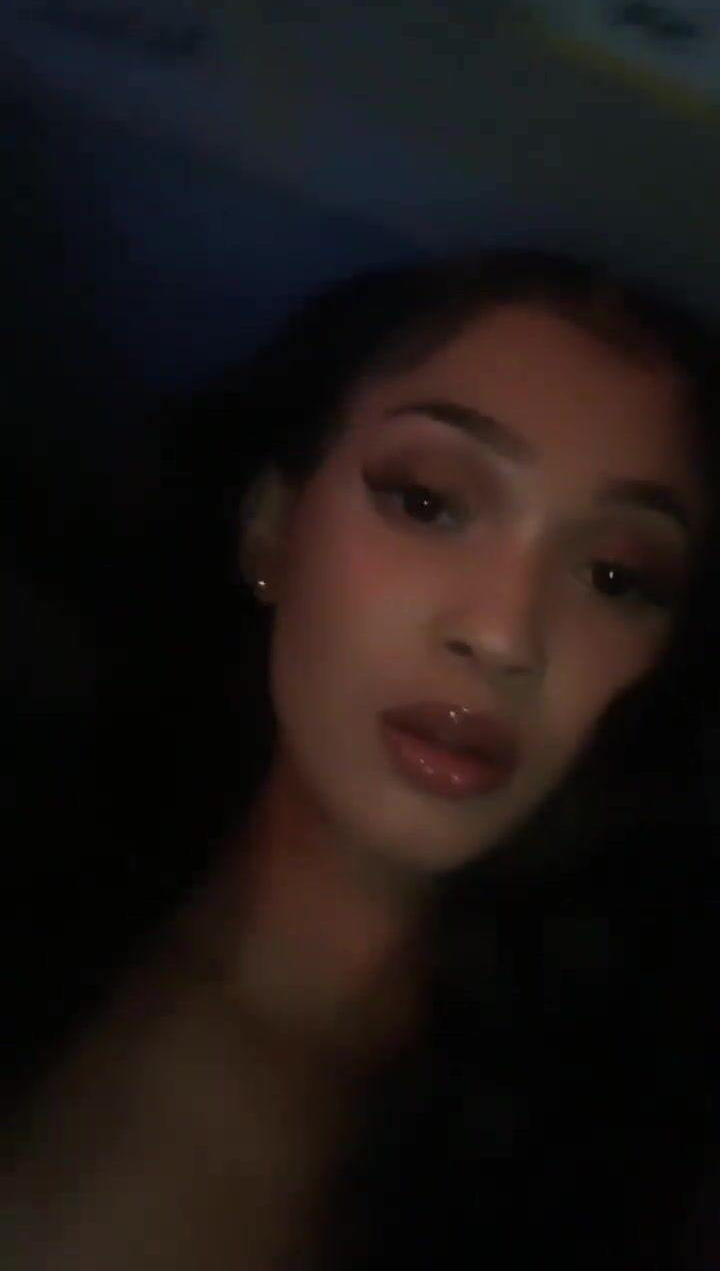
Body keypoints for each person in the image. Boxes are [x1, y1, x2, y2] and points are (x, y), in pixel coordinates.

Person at [5, 249, 720, 1270]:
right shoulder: (37, 835)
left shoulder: (644, 1164)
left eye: (616, 575)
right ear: (272, 528)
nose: (504, 634)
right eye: (429, 501)